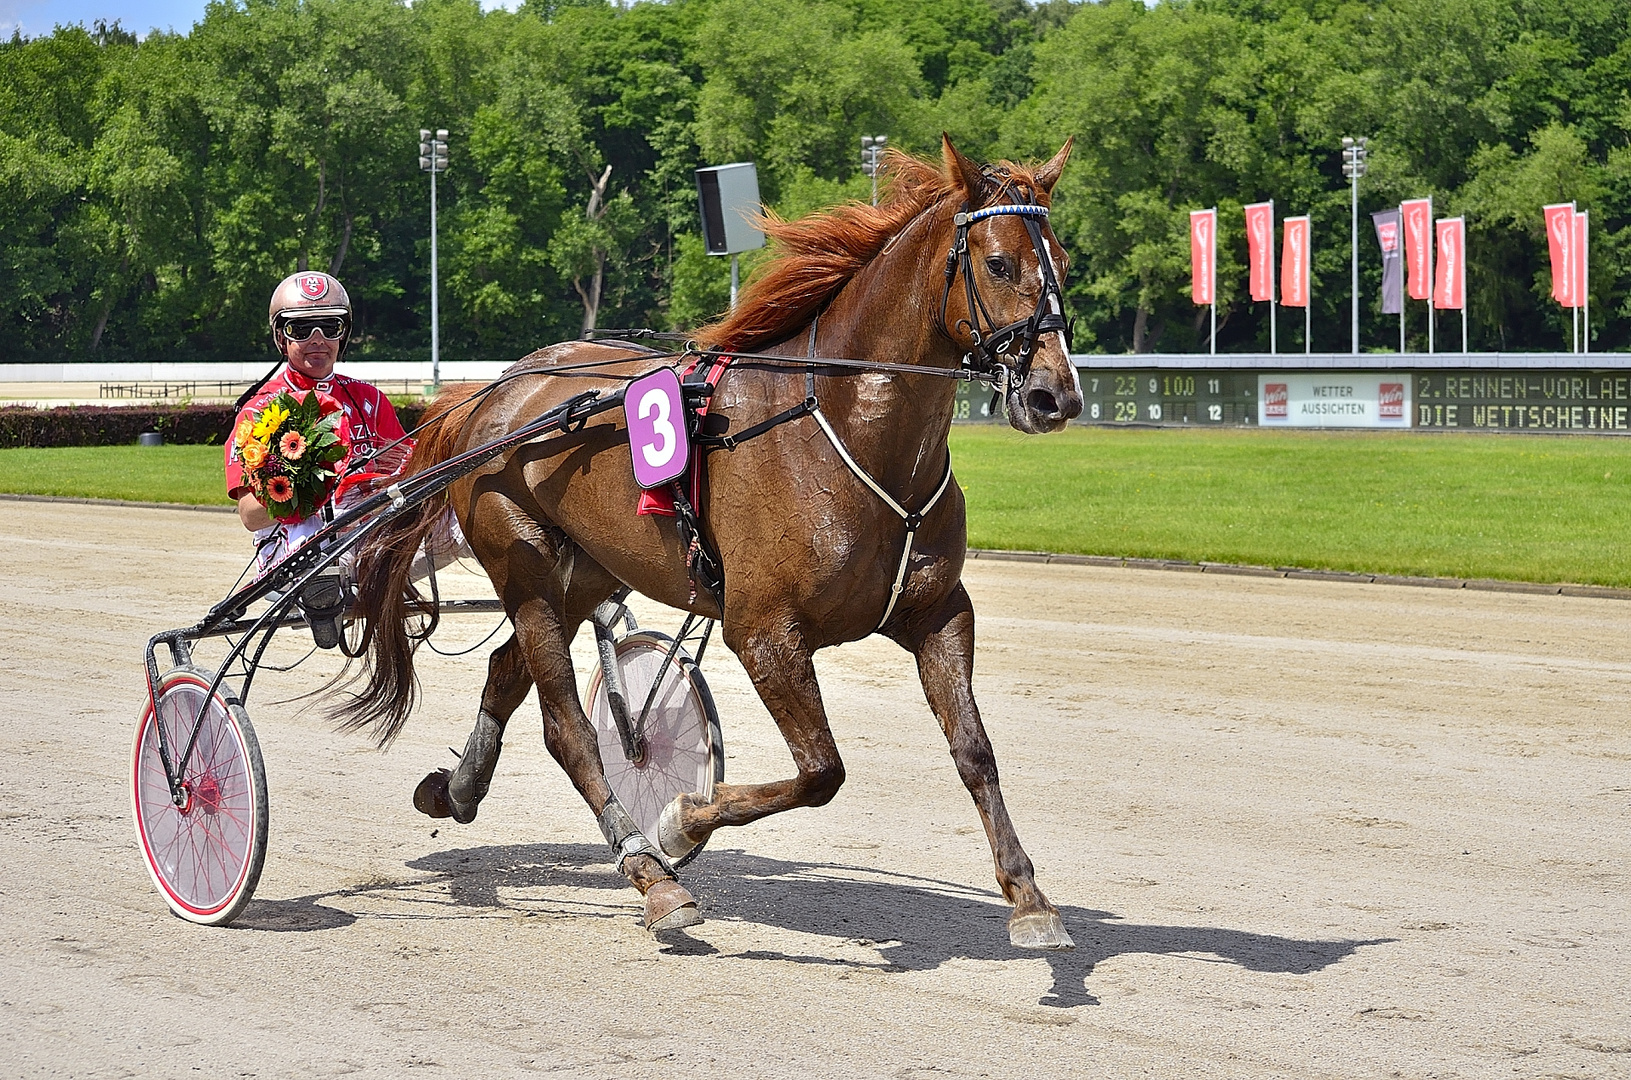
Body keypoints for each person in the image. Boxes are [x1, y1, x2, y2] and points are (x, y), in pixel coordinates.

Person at [226, 271, 410, 644]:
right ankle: (321, 588)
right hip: (294, 548)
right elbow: (250, 515)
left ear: (344, 332)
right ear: (280, 337)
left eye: (330, 326)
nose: (318, 340)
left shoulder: (368, 400)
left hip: (370, 539)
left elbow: (410, 472)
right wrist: (308, 487)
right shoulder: (258, 411)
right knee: (320, 523)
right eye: (302, 329)